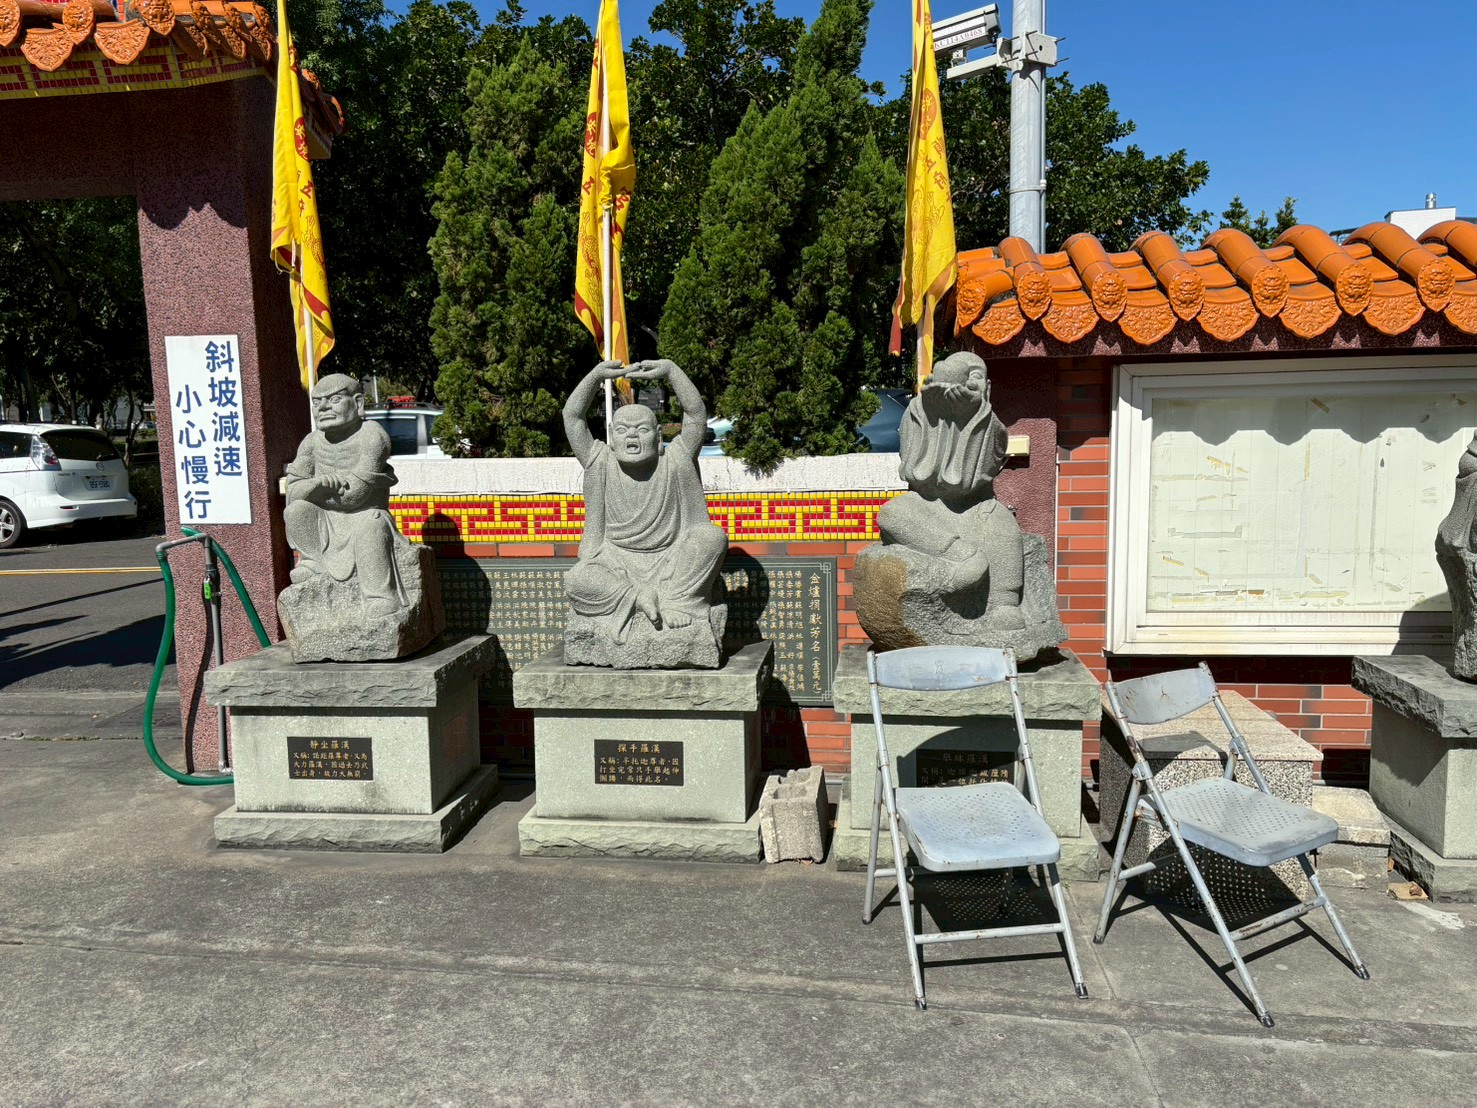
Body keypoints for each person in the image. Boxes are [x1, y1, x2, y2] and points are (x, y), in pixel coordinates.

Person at [563, 359, 727, 644]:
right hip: (616, 563)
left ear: (659, 436)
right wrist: (595, 376)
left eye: (642, 429)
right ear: (612, 438)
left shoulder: (675, 460)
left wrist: (672, 371)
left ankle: (675, 600)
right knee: (577, 580)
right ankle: (640, 597)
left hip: (671, 560)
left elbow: (695, 415)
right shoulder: (600, 462)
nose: (632, 436)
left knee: (711, 538)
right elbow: (573, 417)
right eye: (623, 430)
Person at [283, 373, 404, 619]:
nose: (323, 408)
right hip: (326, 518)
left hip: (365, 515)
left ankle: (380, 596)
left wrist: (314, 492)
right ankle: (313, 562)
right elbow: (293, 494)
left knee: (371, 526)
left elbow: (355, 497)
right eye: (317, 402)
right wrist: (317, 485)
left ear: (357, 403)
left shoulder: (372, 436)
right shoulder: (311, 442)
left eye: (334, 399)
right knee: (296, 511)